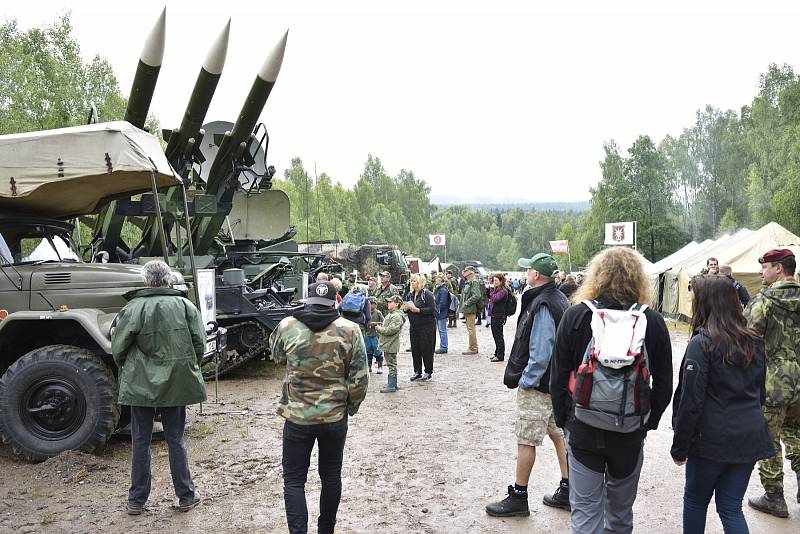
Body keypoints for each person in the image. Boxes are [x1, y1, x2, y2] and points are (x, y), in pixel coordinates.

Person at [550, 247, 673, 534]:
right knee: (619, 514)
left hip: (583, 429)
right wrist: (646, 423)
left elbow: (556, 376)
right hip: (629, 431)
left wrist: (564, 421)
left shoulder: (577, 316)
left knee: (585, 512)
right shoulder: (652, 321)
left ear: (597, 276)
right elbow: (664, 385)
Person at [671, 275, 774, 533]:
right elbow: (761, 393)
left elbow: (691, 401)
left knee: (695, 501)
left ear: (705, 303)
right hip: (749, 435)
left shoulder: (702, 344)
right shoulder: (754, 341)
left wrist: (680, 447)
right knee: (730, 507)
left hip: (711, 441)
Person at [270, 280, 368, 534]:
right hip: (333, 417)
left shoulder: (288, 325)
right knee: (331, 476)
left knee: (293, 480)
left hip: (298, 417)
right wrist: (350, 406)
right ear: (336, 301)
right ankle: (326, 530)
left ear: (308, 300)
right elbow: (359, 378)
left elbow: (277, 356)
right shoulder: (350, 329)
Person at [112, 260, 207, 515]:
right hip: (177, 381)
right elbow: (200, 344)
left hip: (140, 384)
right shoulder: (185, 306)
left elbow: (118, 348)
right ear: (168, 280)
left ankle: (136, 501)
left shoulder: (133, 308)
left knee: (140, 441)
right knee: (175, 439)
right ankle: (186, 496)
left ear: (146, 281)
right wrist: (187, 367)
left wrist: (130, 369)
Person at [486, 253, 570, 517]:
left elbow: (542, 350)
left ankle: (519, 496)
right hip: (556, 384)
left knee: (526, 441)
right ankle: (569, 489)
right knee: (559, 435)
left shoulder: (543, 303)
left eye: (528, 270)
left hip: (539, 387)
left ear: (536, 275)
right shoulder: (559, 298)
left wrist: (527, 381)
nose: (525, 273)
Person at [744, 248, 800, 518]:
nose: (760, 271)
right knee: (797, 434)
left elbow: (745, 340)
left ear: (779, 268)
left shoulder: (764, 301)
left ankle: (774, 496)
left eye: (765, 266)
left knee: (768, 438)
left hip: (774, 382)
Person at [405, 273, 436, 381]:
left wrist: (419, 310)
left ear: (420, 282)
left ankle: (428, 371)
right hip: (414, 326)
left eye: (414, 281)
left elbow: (433, 309)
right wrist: (405, 308)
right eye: (411, 281)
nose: (412, 283)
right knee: (415, 349)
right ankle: (417, 371)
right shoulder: (410, 294)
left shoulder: (426, 294)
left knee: (426, 348)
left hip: (426, 326)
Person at [376, 295, 406, 393]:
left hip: (391, 344)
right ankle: (392, 383)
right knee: (391, 364)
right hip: (388, 343)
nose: (388, 303)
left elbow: (391, 330)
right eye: (388, 302)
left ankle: (392, 385)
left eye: (390, 302)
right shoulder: (392, 314)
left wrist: (379, 328)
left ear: (397, 304)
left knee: (391, 364)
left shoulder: (396, 316)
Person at [460, 266, 482, 355]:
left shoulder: (474, 282)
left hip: (471, 309)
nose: (464, 273)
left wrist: (467, 303)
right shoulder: (469, 282)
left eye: (466, 271)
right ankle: (473, 346)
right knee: (471, 329)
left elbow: (477, 295)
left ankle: (473, 348)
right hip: (468, 309)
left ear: (470, 272)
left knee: (471, 329)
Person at [488, 273, 509, 362]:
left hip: (499, 316)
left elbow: (494, 299)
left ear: (501, 281)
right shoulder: (497, 290)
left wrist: (492, 290)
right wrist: (488, 290)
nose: (494, 282)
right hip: (494, 315)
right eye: (494, 280)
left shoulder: (503, 291)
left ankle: (500, 355)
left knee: (499, 336)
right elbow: (490, 297)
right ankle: (497, 352)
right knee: (495, 336)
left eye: (496, 280)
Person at [364, 296, 384, 374]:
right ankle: (369, 366)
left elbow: (383, 322)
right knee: (368, 351)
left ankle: (380, 366)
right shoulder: (365, 312)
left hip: (375, 335)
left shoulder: (378, 313)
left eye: (372, 304)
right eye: (369, 304)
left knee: (377, 351)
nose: (371, 306)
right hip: (367, 335)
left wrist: (376, 324)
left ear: (376, 305)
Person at [433, 273, 450, 354]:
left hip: (441, 313)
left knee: (442, 330)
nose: (436, 280)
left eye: (437, 279)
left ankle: (444, 347)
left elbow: (442, 303)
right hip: (440, 312)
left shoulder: (442, 290)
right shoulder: (441, 289)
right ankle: (443, 346)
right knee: (441, 330)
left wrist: (437, 310)